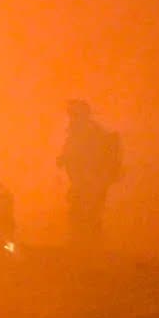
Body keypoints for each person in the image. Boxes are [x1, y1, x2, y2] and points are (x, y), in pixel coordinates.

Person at [56, 100, 122, 250]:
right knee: (82, 212)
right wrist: (64, 159)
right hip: (83, 182)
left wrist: (70, 161)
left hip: (90, 183)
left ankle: (88, 247)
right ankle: (83, 246)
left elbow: (89, 158)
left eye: (73, 114)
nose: (71, 117)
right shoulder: (80, 133)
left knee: (87, 212)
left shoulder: (90, 133)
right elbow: (73, 153)